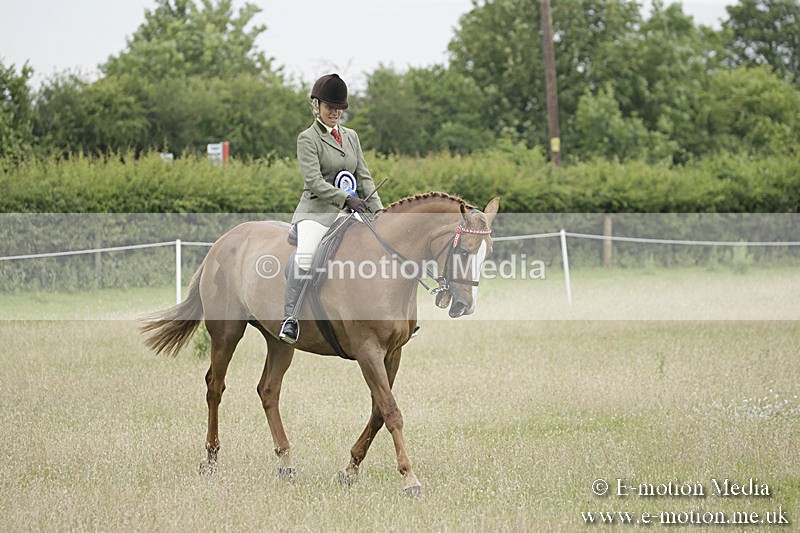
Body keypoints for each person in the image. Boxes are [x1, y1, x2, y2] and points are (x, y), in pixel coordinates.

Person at [279, 73, 383, 344]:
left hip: (349, 212)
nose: (335, 113)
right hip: (316, 212)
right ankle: (290, 318)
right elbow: (313, 181)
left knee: (377, 248)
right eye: (330, 108)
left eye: (339, 109)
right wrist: (346, 200)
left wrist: (379, 212)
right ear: (316, 106)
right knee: (306, 254)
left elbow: (364, 176)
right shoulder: (307, 138)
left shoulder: (351, 137)